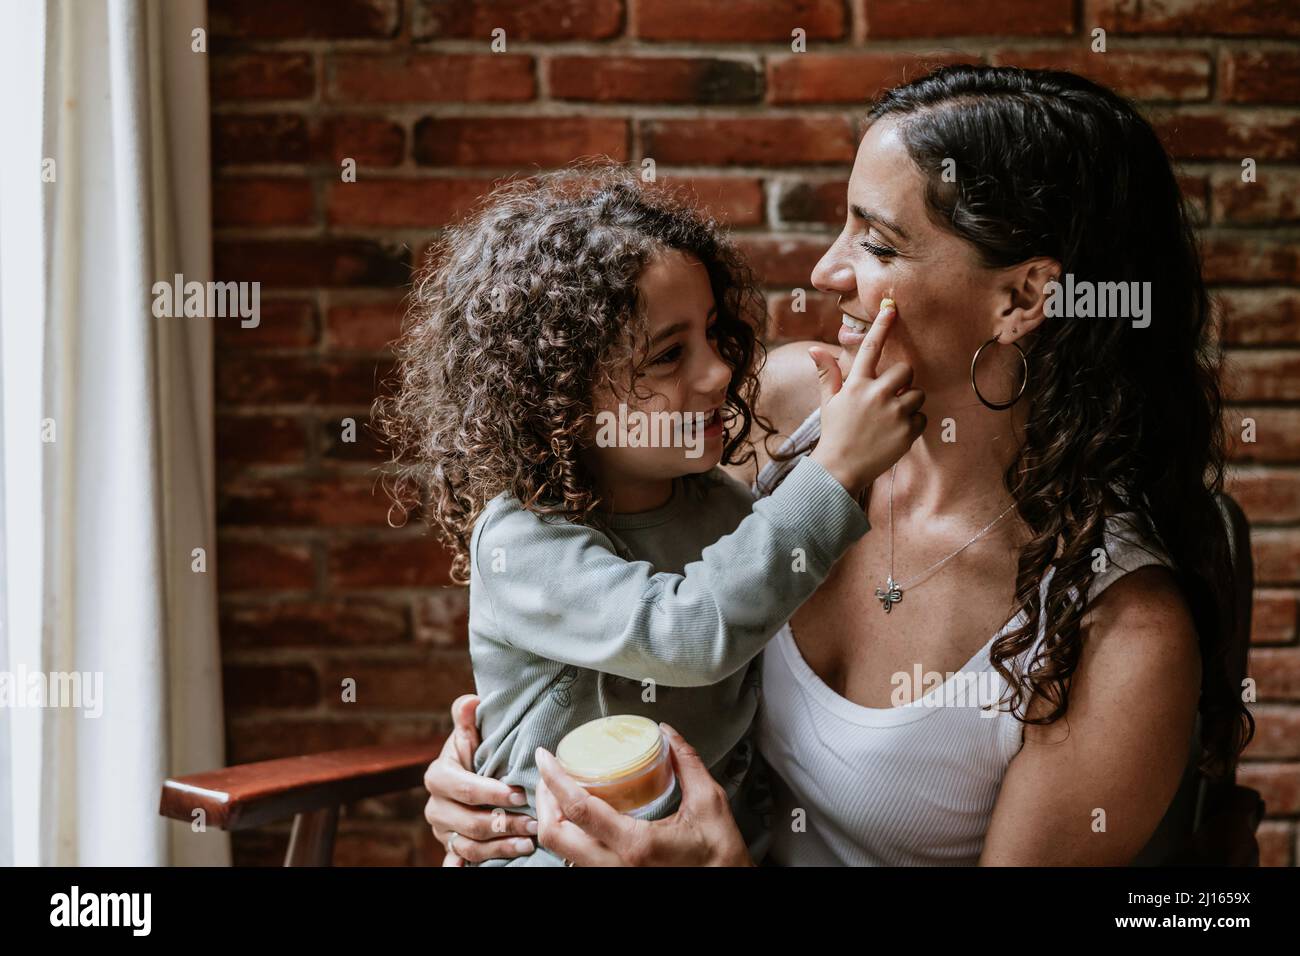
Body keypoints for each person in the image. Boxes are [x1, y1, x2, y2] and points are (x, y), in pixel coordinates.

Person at [420, 65, 1254, 866]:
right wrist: (489, 767)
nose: (826, 272)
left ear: (1026, 299)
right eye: (844, 224)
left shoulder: (1123, 633)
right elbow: (594, 564)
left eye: (880, 243)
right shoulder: (782, 408)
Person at [374, 164, 924, 864]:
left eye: (714, 334)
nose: (721, 372)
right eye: (669, 355)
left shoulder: (725, 505)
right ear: (562, 402)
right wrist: (836, 471)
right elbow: (686, 636)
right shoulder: (522, 536)